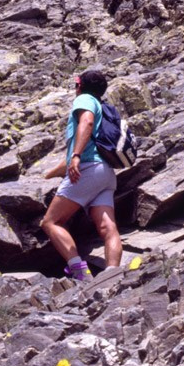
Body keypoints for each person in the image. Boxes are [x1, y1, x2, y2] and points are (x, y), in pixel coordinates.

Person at [41, 69, 122, 280]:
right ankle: (112, 275)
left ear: (80, 85)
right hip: (105, 173)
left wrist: (76, 155)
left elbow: (85, 122)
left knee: (51, 222)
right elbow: (68, 161)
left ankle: (79, 272)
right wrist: (48, 175)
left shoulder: (85, 99)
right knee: (107, 227)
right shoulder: (102, 107)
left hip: (87, 170)